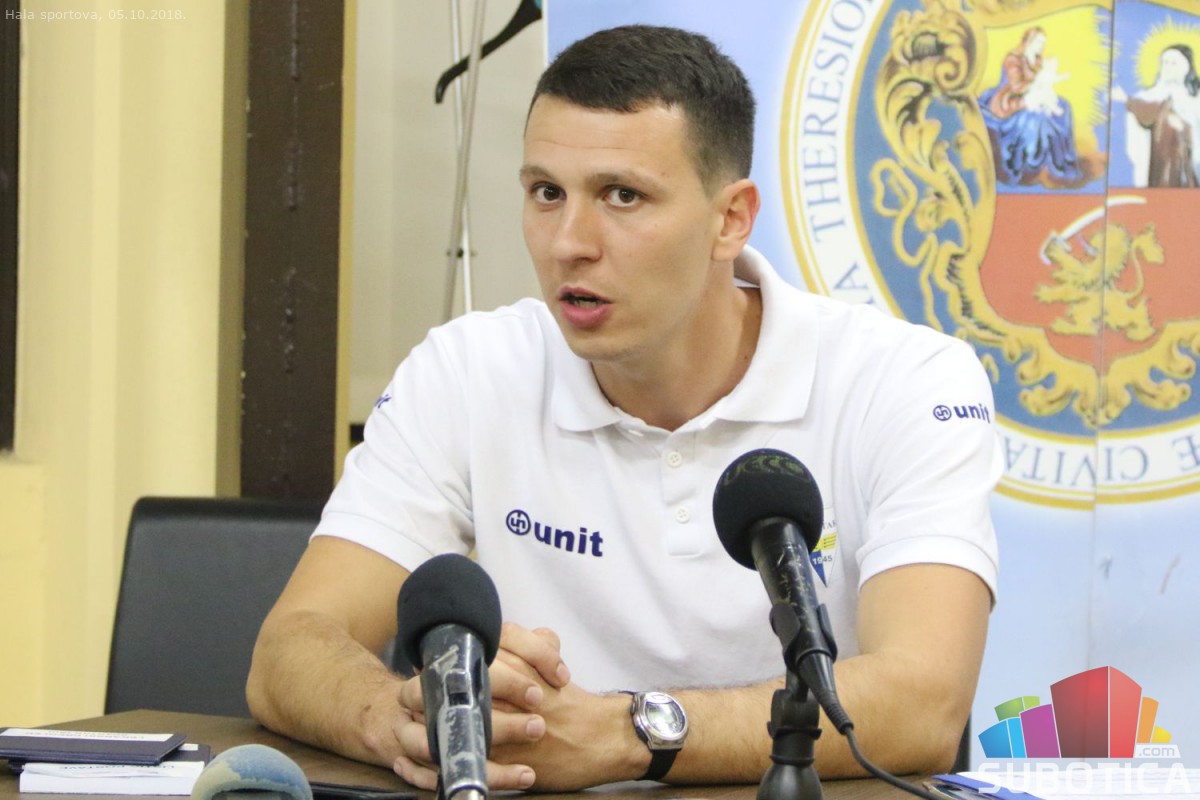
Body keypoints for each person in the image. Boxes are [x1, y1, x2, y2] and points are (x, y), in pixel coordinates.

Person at [247, 25, 1000, 792]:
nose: (568, 243)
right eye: (546, 193)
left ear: (731, 219)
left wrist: (630, 733)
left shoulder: (907, 381)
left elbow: (925, 703)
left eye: (622, 196)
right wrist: (401, 718)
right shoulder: (466, 369)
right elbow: (289, 651)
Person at [979, 26, 1083, 186]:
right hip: (1012, 98)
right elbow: (1015, 86)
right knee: (1037, 118)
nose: (1041, 46)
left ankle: (1060, 160)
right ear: (1029, 41)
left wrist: (1044, 85)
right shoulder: (1013, 59)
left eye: (1043, 43)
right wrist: (1038, 84)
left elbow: (1045, 79)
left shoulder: (1038, 59)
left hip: (1035, 93)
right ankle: (1031, 162)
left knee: (1064, 106)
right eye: (1039, 42)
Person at [1114, 44, 1200, 188]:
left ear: (1186, 68)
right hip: (1160, 160)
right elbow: (1149, 113)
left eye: (1174, 63)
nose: (1168, 67)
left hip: (1190, 164)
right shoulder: (1149, 95)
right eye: (1165, 62)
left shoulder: (1195, 98)